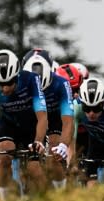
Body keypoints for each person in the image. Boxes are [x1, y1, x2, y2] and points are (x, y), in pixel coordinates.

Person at [0, 48, 48, 199]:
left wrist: (38, 141)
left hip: (31, 125)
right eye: (0, 84)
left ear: (17, 75)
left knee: (34, 168)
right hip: (9, 125)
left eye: (9, 83)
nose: (5, 88)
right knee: (3, 155)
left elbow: (42, 117)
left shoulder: (31, 79)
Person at [23, 53, 74, 190]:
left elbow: (68, 121)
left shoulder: (61, 84)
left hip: (54, 118)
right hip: (32, 118)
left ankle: (60, 194)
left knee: (54, 153)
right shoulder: (21, 82)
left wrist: (63, 145)